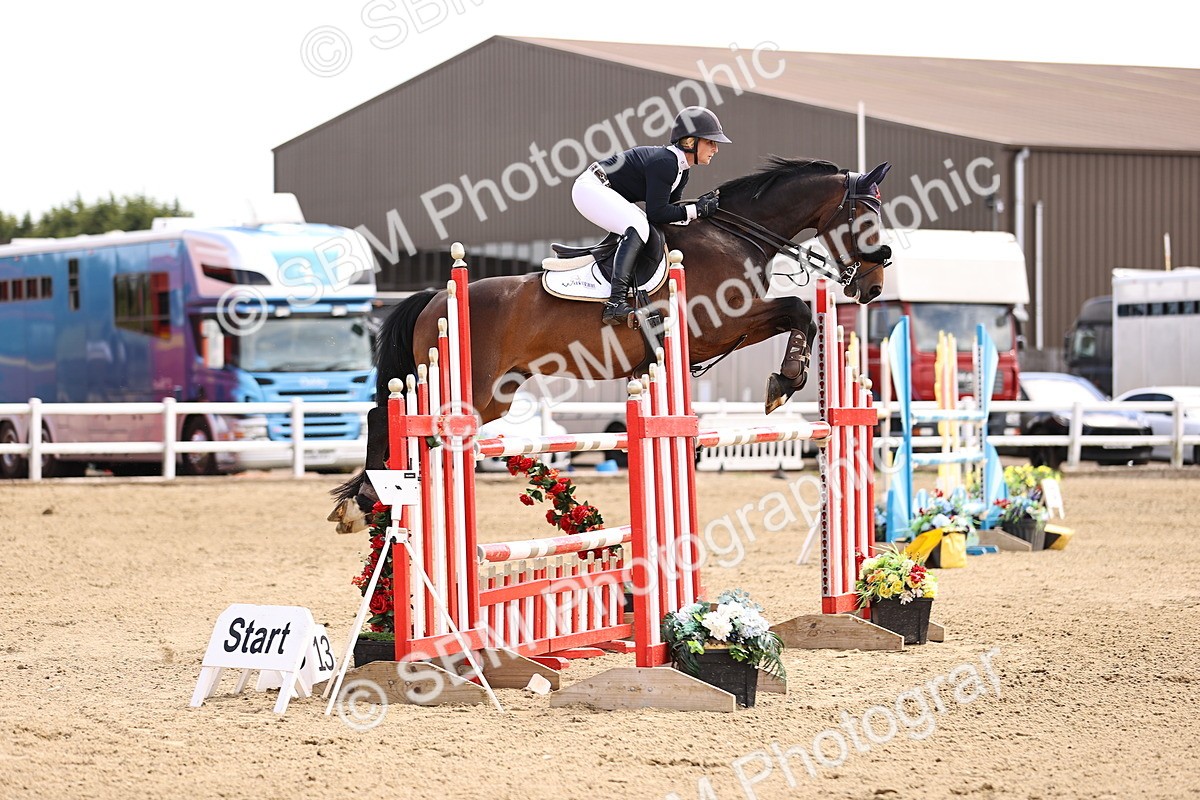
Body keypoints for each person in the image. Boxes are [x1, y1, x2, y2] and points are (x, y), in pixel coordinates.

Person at [572, 106, 731, 326]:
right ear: (690, 142)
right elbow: (656, 212)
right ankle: (615, 302)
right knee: (638, 225)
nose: (715, 149)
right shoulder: (666, 163)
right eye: (710, 142)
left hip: (600, 189)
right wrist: (697, 210)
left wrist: (698, 211)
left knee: (642, 225)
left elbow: (667, 216)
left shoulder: (681, 170)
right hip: (590, 189)